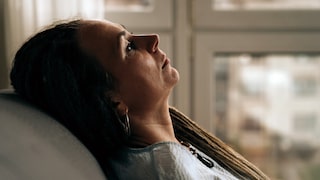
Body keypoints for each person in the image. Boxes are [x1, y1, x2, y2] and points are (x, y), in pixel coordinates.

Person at [10, 19, 269, 179]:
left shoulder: (172, 152)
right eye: (129, 47)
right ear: (111, 100)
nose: (153, 40)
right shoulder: (165, 172)